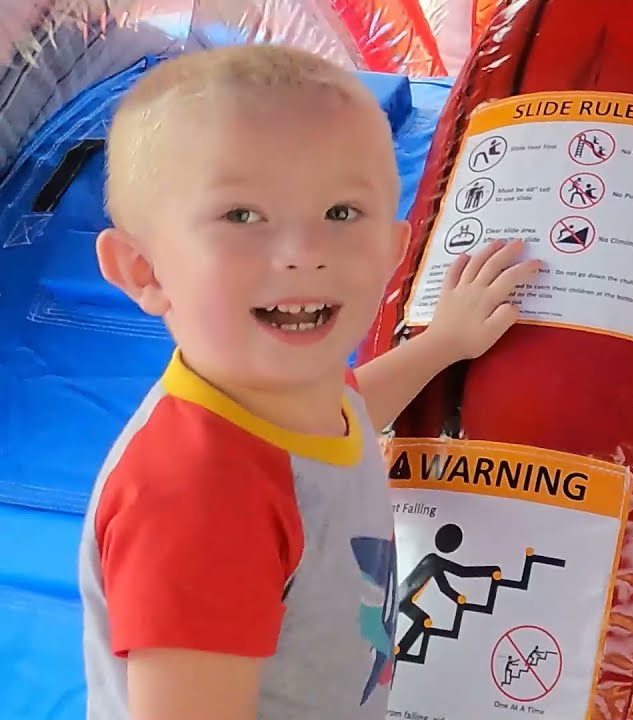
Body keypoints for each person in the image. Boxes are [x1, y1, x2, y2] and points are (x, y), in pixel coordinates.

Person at [76, 45, 539, 720]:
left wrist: (444, 343)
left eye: (342, 213)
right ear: (143, 270)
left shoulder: (291, 394)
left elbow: (347, 407)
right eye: (242, 216)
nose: (303, 254)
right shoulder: (200, 504)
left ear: (392, 247)